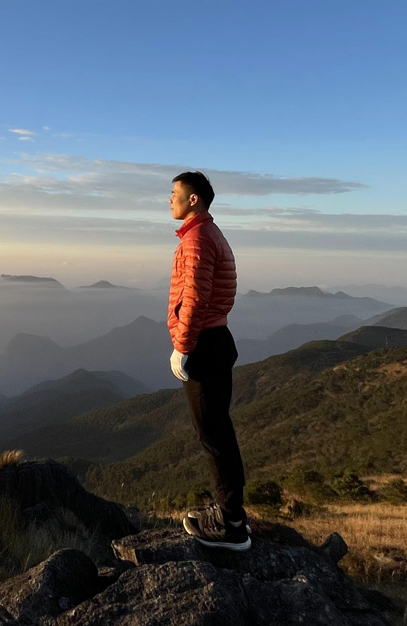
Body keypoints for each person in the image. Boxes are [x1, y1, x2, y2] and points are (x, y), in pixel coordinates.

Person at [167, 170, 249, 550]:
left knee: (213, 435)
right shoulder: (208, 233)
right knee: (218, 432)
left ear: (194, 199)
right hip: (215, 339)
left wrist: (183, 346)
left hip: (204, 344)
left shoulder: (197, 238)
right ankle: (230, 514)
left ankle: (230, 525)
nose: (170, 200)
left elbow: (196, 297)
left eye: (175, 193)